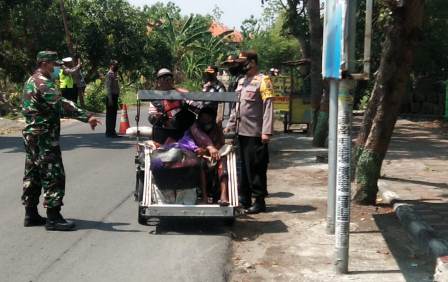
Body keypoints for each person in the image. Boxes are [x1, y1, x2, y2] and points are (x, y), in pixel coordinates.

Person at [21, 51, 101, 231]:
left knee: (33, 173)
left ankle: (31, 213)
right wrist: (86, 116)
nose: (57, 68)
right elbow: (60, 103)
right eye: (53, 64)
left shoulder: (30, 80)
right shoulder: (43, 83)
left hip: (31, 134)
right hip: (44, 136)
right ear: (44, 63)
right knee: (53, 174)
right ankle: (53, 217)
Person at [225, 51, 274, 214]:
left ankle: (259, 201)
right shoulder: (241, 81)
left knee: (256, 167)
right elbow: (237, 107)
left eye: (244, 62)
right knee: (244, 168)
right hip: (241, 131)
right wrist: (230, 124)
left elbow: (268, 107)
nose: (241, 65)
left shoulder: (263, 80)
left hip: (256, 132)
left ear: (253, 62)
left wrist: (266, 131)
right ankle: (244, 199)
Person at [148, 68, 196, 144]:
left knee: (193, 123)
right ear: (158, 82)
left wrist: (193, 106)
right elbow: (151, 116)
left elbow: (195, 105)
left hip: (182, 129)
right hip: (163, 130)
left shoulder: (182, 93)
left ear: (173, 81)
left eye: (169, 78)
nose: (167, 80)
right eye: (163, 78)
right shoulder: (155, 98)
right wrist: (155, 116)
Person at [105, 60, 120, 138]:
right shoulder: (110, 74)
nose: (116, 66)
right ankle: (109, 132)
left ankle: (112, 131)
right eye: (115, 65)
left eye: (117, 64)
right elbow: (108, 87)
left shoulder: (115, 74)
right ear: (111, 65)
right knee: (110, 115)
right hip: (110, 97)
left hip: (114, 96)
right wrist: (110, 99)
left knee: (113, 115)